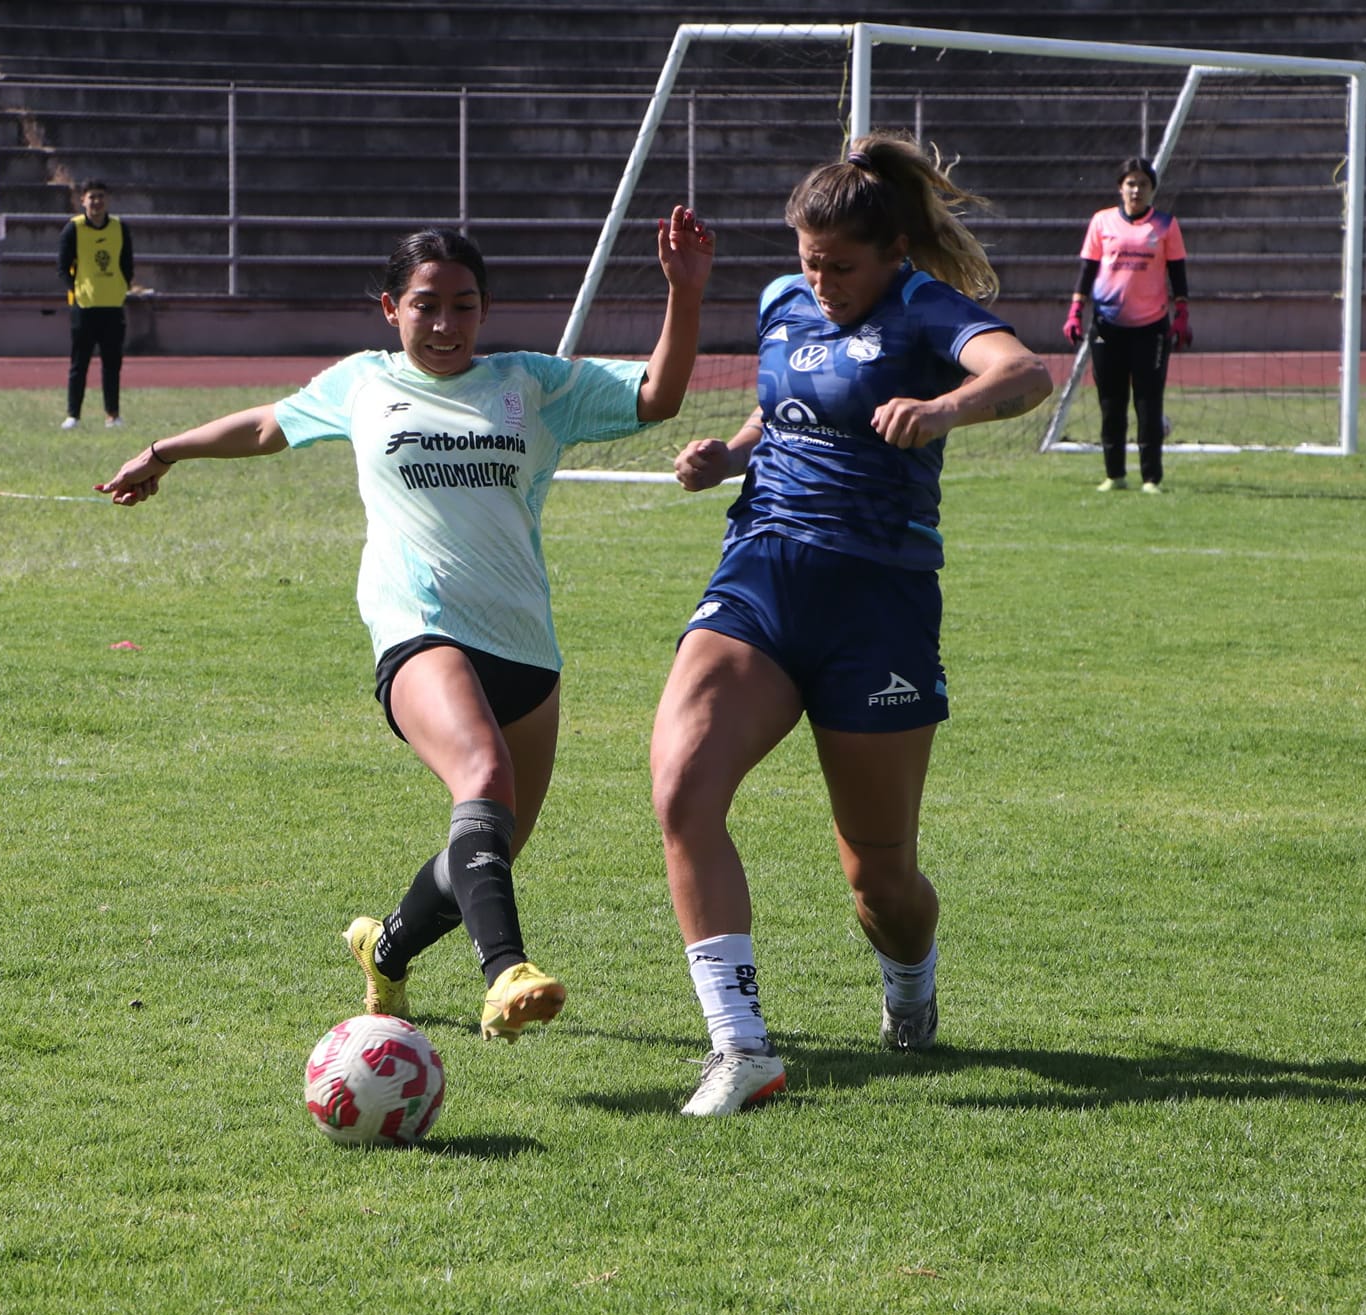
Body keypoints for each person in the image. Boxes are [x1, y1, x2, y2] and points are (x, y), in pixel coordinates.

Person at [95, 209, 715, 1041]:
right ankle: (507, 975)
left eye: (463, 305)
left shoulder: (531, 384)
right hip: (418, 627)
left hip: (526, 644)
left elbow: (658, 396)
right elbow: (265, 425)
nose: (445, 323)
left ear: (484, 311)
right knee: (483, 780)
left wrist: (685, 294)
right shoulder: (363, 382)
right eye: (426, 304)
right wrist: (167, 450)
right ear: (391, 308)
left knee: (485, 847)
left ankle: (384, 950)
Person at [650, 134, 1051, 1117]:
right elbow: (781, 409)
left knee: (881, 882)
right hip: (762, 575)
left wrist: (943, 406)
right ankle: (740, 1049)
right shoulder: (781, 305)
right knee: (681, 789)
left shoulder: (923, 307)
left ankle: (908, 982)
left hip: (878, 603)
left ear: (890, 256)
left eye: (838, 265)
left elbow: (1025, 373)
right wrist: (729, 456)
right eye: (805, 259)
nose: (818, 281)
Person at [1062, 156, 1191, 494]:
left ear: (1152, 190)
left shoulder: (1165, 225)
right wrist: (1075, 310)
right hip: (1107, 325)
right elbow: (1087, 270)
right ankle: (1114, 474)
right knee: (1111, 402)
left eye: (1143, 184)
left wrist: (1182, 314)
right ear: (1121, 188)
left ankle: (1151, 479)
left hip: (1151, 327)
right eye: (1130, 183)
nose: (1136, 190)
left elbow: (1178, 273)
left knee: (1149, 402)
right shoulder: (1101, 222)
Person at [59, 180, 135, 430]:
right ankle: (73, 415)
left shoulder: (119, 228)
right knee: (79, 363)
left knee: (112, 364)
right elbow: (63, 268)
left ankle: (112, 415)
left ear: (107, 200)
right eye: (92, 197)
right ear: (83, 200)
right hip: (85, 307)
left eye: (101, 197)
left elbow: (127, 264)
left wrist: (120, 287)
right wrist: (78, 290)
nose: (96, 202)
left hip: (113, 306)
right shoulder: (73, 229)